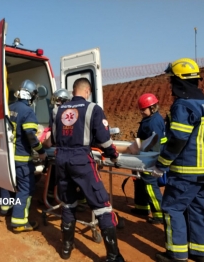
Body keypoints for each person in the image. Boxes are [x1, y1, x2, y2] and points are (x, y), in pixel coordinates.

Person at [50, 77, 125, 261]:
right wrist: (113, 154)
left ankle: (66, 248)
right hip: (81, 160)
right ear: (87, 91)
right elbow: (104, 139)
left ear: (73, 90)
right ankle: (113, 256)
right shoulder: (93, 109)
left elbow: (53, 138)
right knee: (102, 206)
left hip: (61, 159)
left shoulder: (59, 110)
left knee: (68, 203)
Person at [152, 58, 204, 262]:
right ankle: (199, 253)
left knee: (172, 209)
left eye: (172, 81)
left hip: (187, 172)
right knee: (197, 209)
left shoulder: (183, 105)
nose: (170, 85)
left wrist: (161, 164)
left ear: (179, 81)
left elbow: (178, 139)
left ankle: (176, 255)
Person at [0, 79, 47, 233]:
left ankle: (5, 208)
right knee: (25, 189)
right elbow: (31, 136)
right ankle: (19, 221)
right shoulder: (27, 111)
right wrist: (41, 152)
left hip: (8, 157)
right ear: (31, 96)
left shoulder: (10, 107)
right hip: (21, 158)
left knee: (7, 182)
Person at [39, 89, 87, 208]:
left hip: (63, 152)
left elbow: (51, 139)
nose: (57, 105)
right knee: (77, 176)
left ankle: (54, 197)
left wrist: (44, 142)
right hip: (78, 151)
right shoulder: (77, 112)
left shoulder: (56, 113)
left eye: (58, 102)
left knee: (58, 173)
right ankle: (80, 199)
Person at [130, 93, 167, 224]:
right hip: (144, 155)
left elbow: (154, 144)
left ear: (152, 107)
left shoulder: (153, 122)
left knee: (150, 183)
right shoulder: (150, 118)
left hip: (150, 157)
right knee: (139, 180)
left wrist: (148, 160)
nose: (141, 112)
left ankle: (159, 213)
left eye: (143, 109)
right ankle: (142, 207)